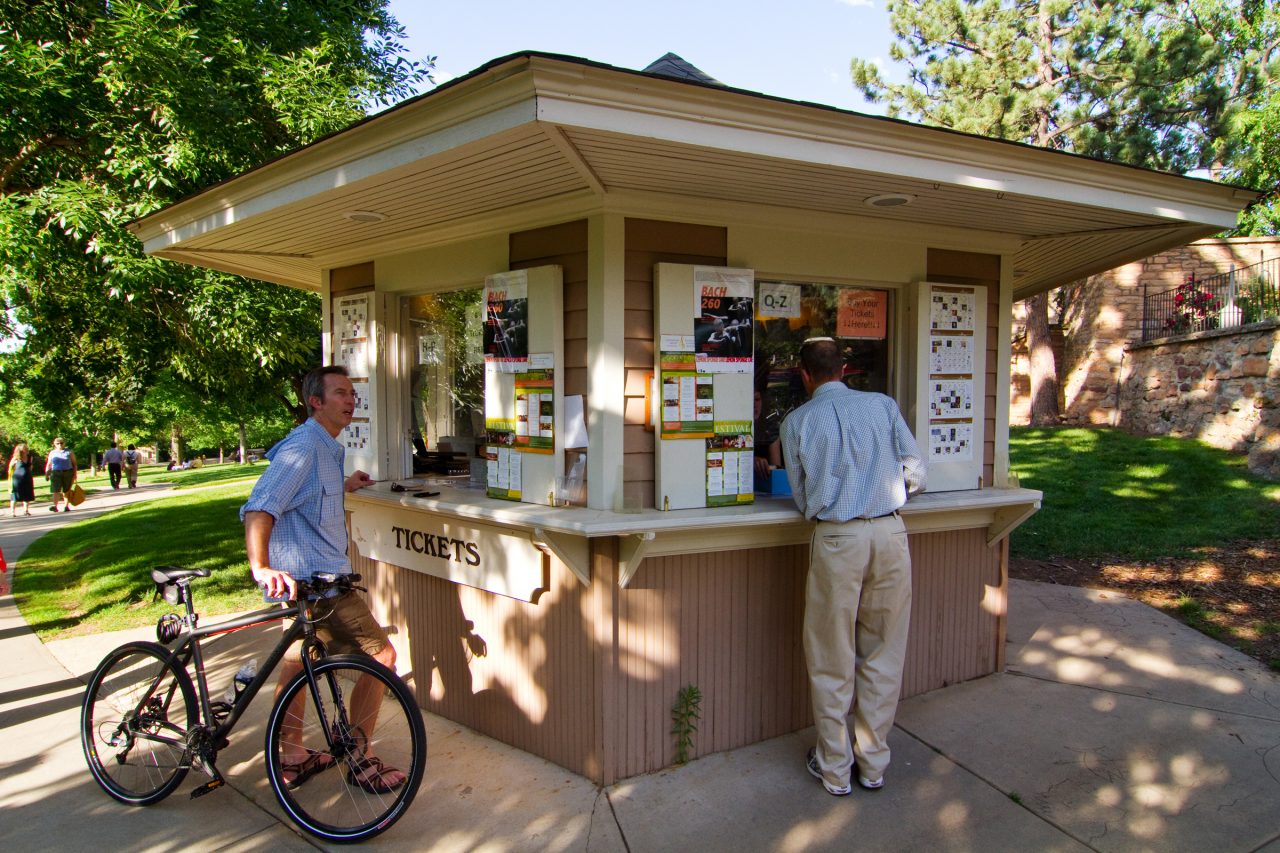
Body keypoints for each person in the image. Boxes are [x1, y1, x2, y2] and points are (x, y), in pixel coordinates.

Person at [240, 365, 404, 793]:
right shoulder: (304, 448)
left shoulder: (326, 450)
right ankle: (360, 755)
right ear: (315, 401)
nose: (351, 400)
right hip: (316, 583)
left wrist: (345, 485)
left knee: (299, 664)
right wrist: (260, 567)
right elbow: (260, 507)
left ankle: (290, 753)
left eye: (352, 393)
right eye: (339, 393)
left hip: (302, 585)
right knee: (380, 658)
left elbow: (308, 496)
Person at [780, 337, 926, 796]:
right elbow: (917, 472)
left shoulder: (797, 421)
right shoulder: (883, 406)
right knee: (884, 651)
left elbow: (801, 494)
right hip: (889, 532)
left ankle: (835, 767)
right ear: (844, 369)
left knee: (830, 654)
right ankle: (873, 764)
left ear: (805, 375)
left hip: (837, 536)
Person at [44, 437, 78, 513]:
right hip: (55, 473)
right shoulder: (52, 453)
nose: (60, 445)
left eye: (61, 443)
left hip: (68, 472)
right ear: (54, 444)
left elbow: (74, 464)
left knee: (66, 490)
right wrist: (47, 474)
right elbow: (49, 464)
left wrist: (75, 474)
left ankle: (66, 506)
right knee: (55, 490)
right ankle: (55, 506)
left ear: (64, 443)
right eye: (57, 443)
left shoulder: (69, 452)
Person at [8, 443, 36, 516]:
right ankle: (12, 512)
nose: (26, 450)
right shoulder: (16, 458)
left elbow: (30, 467)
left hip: (27, 477)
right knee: (15, 494)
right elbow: (10, 467)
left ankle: (26, 510)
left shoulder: (30, 457)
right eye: (24, 449)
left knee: (27, 494)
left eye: (26, 449)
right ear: (20, 450)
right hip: (17, 478)